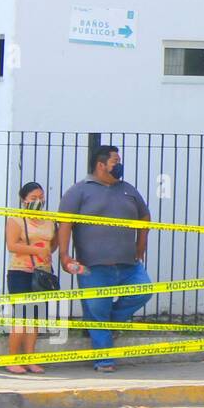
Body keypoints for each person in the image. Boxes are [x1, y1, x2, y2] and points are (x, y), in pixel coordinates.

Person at [57, 145, 153, 373]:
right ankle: (104, 359)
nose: (119, 165)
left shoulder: (128, 189)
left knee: (144, 290)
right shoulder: (79, 191)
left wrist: (141, 243)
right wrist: (64, 255)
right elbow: (65, 223)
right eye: (115, 161)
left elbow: (145, 216)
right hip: (93, 266)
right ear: (101, 165)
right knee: (97, 310)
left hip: (129, 263)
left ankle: (108, 325)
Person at [3, 183, 56, 374]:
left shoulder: (49, 220)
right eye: (33, 198)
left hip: (42, 273)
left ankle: (30, 359)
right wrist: (37, 250)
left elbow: (53, 243)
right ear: (24, 200)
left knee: (35, 318)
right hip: (20, 272)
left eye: (41, 197)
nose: (39, 201)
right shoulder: (16, 220)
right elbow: (12, 245)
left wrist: (46, 252)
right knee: (21, 318)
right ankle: (12, 359)